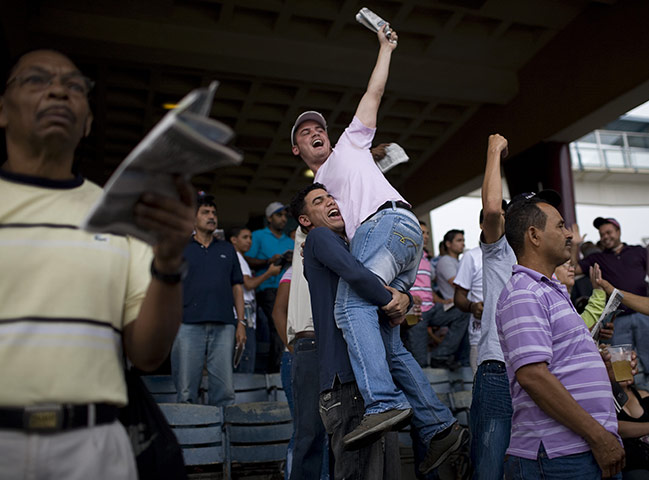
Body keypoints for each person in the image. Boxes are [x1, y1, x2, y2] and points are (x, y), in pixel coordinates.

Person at [0, 49, 194, 478]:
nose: (57, 90)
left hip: (94, 449)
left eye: (74, 86)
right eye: (35, 80)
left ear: (87, 121)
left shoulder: (119, 218)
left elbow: (146, 353)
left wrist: (167, 260)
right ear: (3, 111)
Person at [290, 24, 429, 448]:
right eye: (304, 132)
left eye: (318, 128)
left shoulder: (352, 143)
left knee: (350, 309)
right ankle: (439, 426)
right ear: (297, 151)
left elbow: (374, 93)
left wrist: (386, 48)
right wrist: (401, 297)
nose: (315, 132)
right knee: (386, 338)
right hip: (399, 239)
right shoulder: (323, 200)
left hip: (388, 225)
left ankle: (383, 402)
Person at [292, 183, 468, 477]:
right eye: (318, 201)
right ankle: (438, 424)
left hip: (370, 378)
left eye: (330, 197)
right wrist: (394, 299)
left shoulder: (356, 246)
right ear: (305, 221)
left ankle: (438, 425)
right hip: (345, 379)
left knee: (383, 471)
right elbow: (357, 275)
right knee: (361, 473)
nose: (330, 203)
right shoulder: (319, 237)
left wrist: (406, 298)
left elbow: (378, 283)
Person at [496, 190, 624, 479]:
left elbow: (559, 365)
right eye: (560, 226)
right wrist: (598, 437)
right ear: (534, 235)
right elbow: (533, 376)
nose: (569, 234)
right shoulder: (524, 293)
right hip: (560, 455)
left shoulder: (550, 290)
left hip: (579, 450)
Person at [470, 134, 516, 480]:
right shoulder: (500, 253)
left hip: (538, 376)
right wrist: (493, 151)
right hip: (500, 370)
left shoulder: (547, 273)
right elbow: (491, 209)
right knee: (489, 468)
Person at [171, 193, 245, 406]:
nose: (211, 216)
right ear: (193, 219)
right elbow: (170, 287)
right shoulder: (181, 248)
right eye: (205, 212)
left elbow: (237, 286)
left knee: (225, 391)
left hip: (224, 324)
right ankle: (190, 438)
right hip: (187, 324)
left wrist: (240, 323)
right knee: (185, 390)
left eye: (214, 212)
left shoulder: (227, 249)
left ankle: (224, 437)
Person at [572, 218, 649, 381]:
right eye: (602, 234)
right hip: (618, 319)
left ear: (618, 231)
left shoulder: (638, 251)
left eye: (609, 232)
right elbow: (572, 268)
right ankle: (633, 398)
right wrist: (575, 245)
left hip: (643, 313)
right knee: (624, 370)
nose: (605, 237)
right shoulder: (598, 259)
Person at [246, 201, 293, 373]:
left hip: (288, 288)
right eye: (279, 215)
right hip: (266, 287)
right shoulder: (258, 235)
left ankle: (284, 365)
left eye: (285, 216)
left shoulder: (289, 240)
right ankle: (276, 370)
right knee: (277, 324)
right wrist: (269, 261)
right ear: (269, 218)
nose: (283, 219)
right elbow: (248, 259)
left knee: (290, 325)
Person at [229, 226, 282, 373]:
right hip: (242, 316)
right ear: (233, 240)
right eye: (245, 237)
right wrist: (269, 273)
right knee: (244, 361)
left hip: (246, 315)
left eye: (251, 238)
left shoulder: (240, 257)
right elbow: (248, 284)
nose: (249, 241)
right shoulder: (237, 257)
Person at [427, 229, 471, 369]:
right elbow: (457, 284)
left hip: (459, 306)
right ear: (448, 243)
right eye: (459, 240)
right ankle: (446, 356)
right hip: (452, 306)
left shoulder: (457, 261)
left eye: (463, 240)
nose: (462, 244)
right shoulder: (445, 261)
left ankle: (461, 361)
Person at [453, 213, 485, 374]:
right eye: (493, 217)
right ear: (482, 224)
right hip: (481, 338)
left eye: (503, 217)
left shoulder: (515, 255)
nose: (499, 222)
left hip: (513, 338)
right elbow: (458, 298)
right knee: (485, 394)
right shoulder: (472, 256)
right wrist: (473, 306)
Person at [403, 220, 435, 368]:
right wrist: (408, 295)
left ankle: (441, 355)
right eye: (422, 232)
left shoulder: (427, 259)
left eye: (427, 233)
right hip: (415, 311)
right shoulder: (406, 256)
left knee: (459, 313)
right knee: (419, 360)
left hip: (433, 309)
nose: (426, 236)